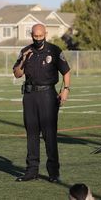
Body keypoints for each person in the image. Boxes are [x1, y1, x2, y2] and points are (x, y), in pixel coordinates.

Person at [13, 23, 71, 183]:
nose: (38, 39)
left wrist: (66, 89)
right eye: (35, 36)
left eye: (40, 36)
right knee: (31, 134)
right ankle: (31, 171)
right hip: (30, 96)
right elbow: (17, 74)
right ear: (31, 35)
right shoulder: (25, 51)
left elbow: (66, 71)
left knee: (49, 135)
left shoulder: (54, 50)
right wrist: (24, 60)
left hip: (47, 95)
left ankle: (54, 173)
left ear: (45, 33)